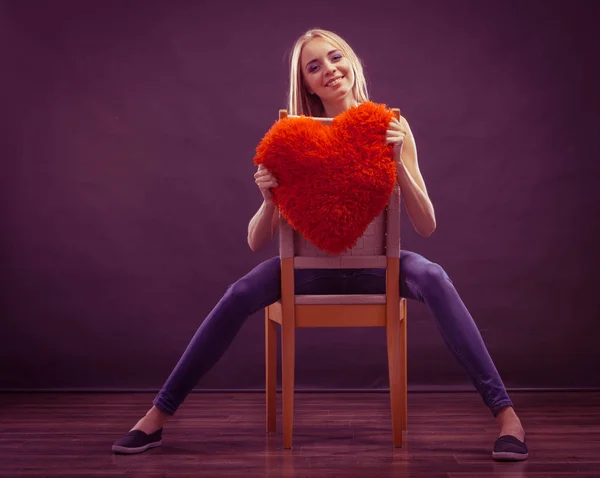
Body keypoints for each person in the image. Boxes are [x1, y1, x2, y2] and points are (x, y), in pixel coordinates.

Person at [112, 28, 528, 462]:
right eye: (315, 67)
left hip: (377, 269)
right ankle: (156, 417)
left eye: (334, 58)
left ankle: (508, 418)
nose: (329, 70)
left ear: (351, 62)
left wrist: (398, 161)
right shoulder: (292, 135)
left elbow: (426, 226)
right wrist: (268, 200)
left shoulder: (391, 126)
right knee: (238, 293)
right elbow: (256, 241)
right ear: (306, 83)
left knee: (434, 276)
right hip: (306, 272)